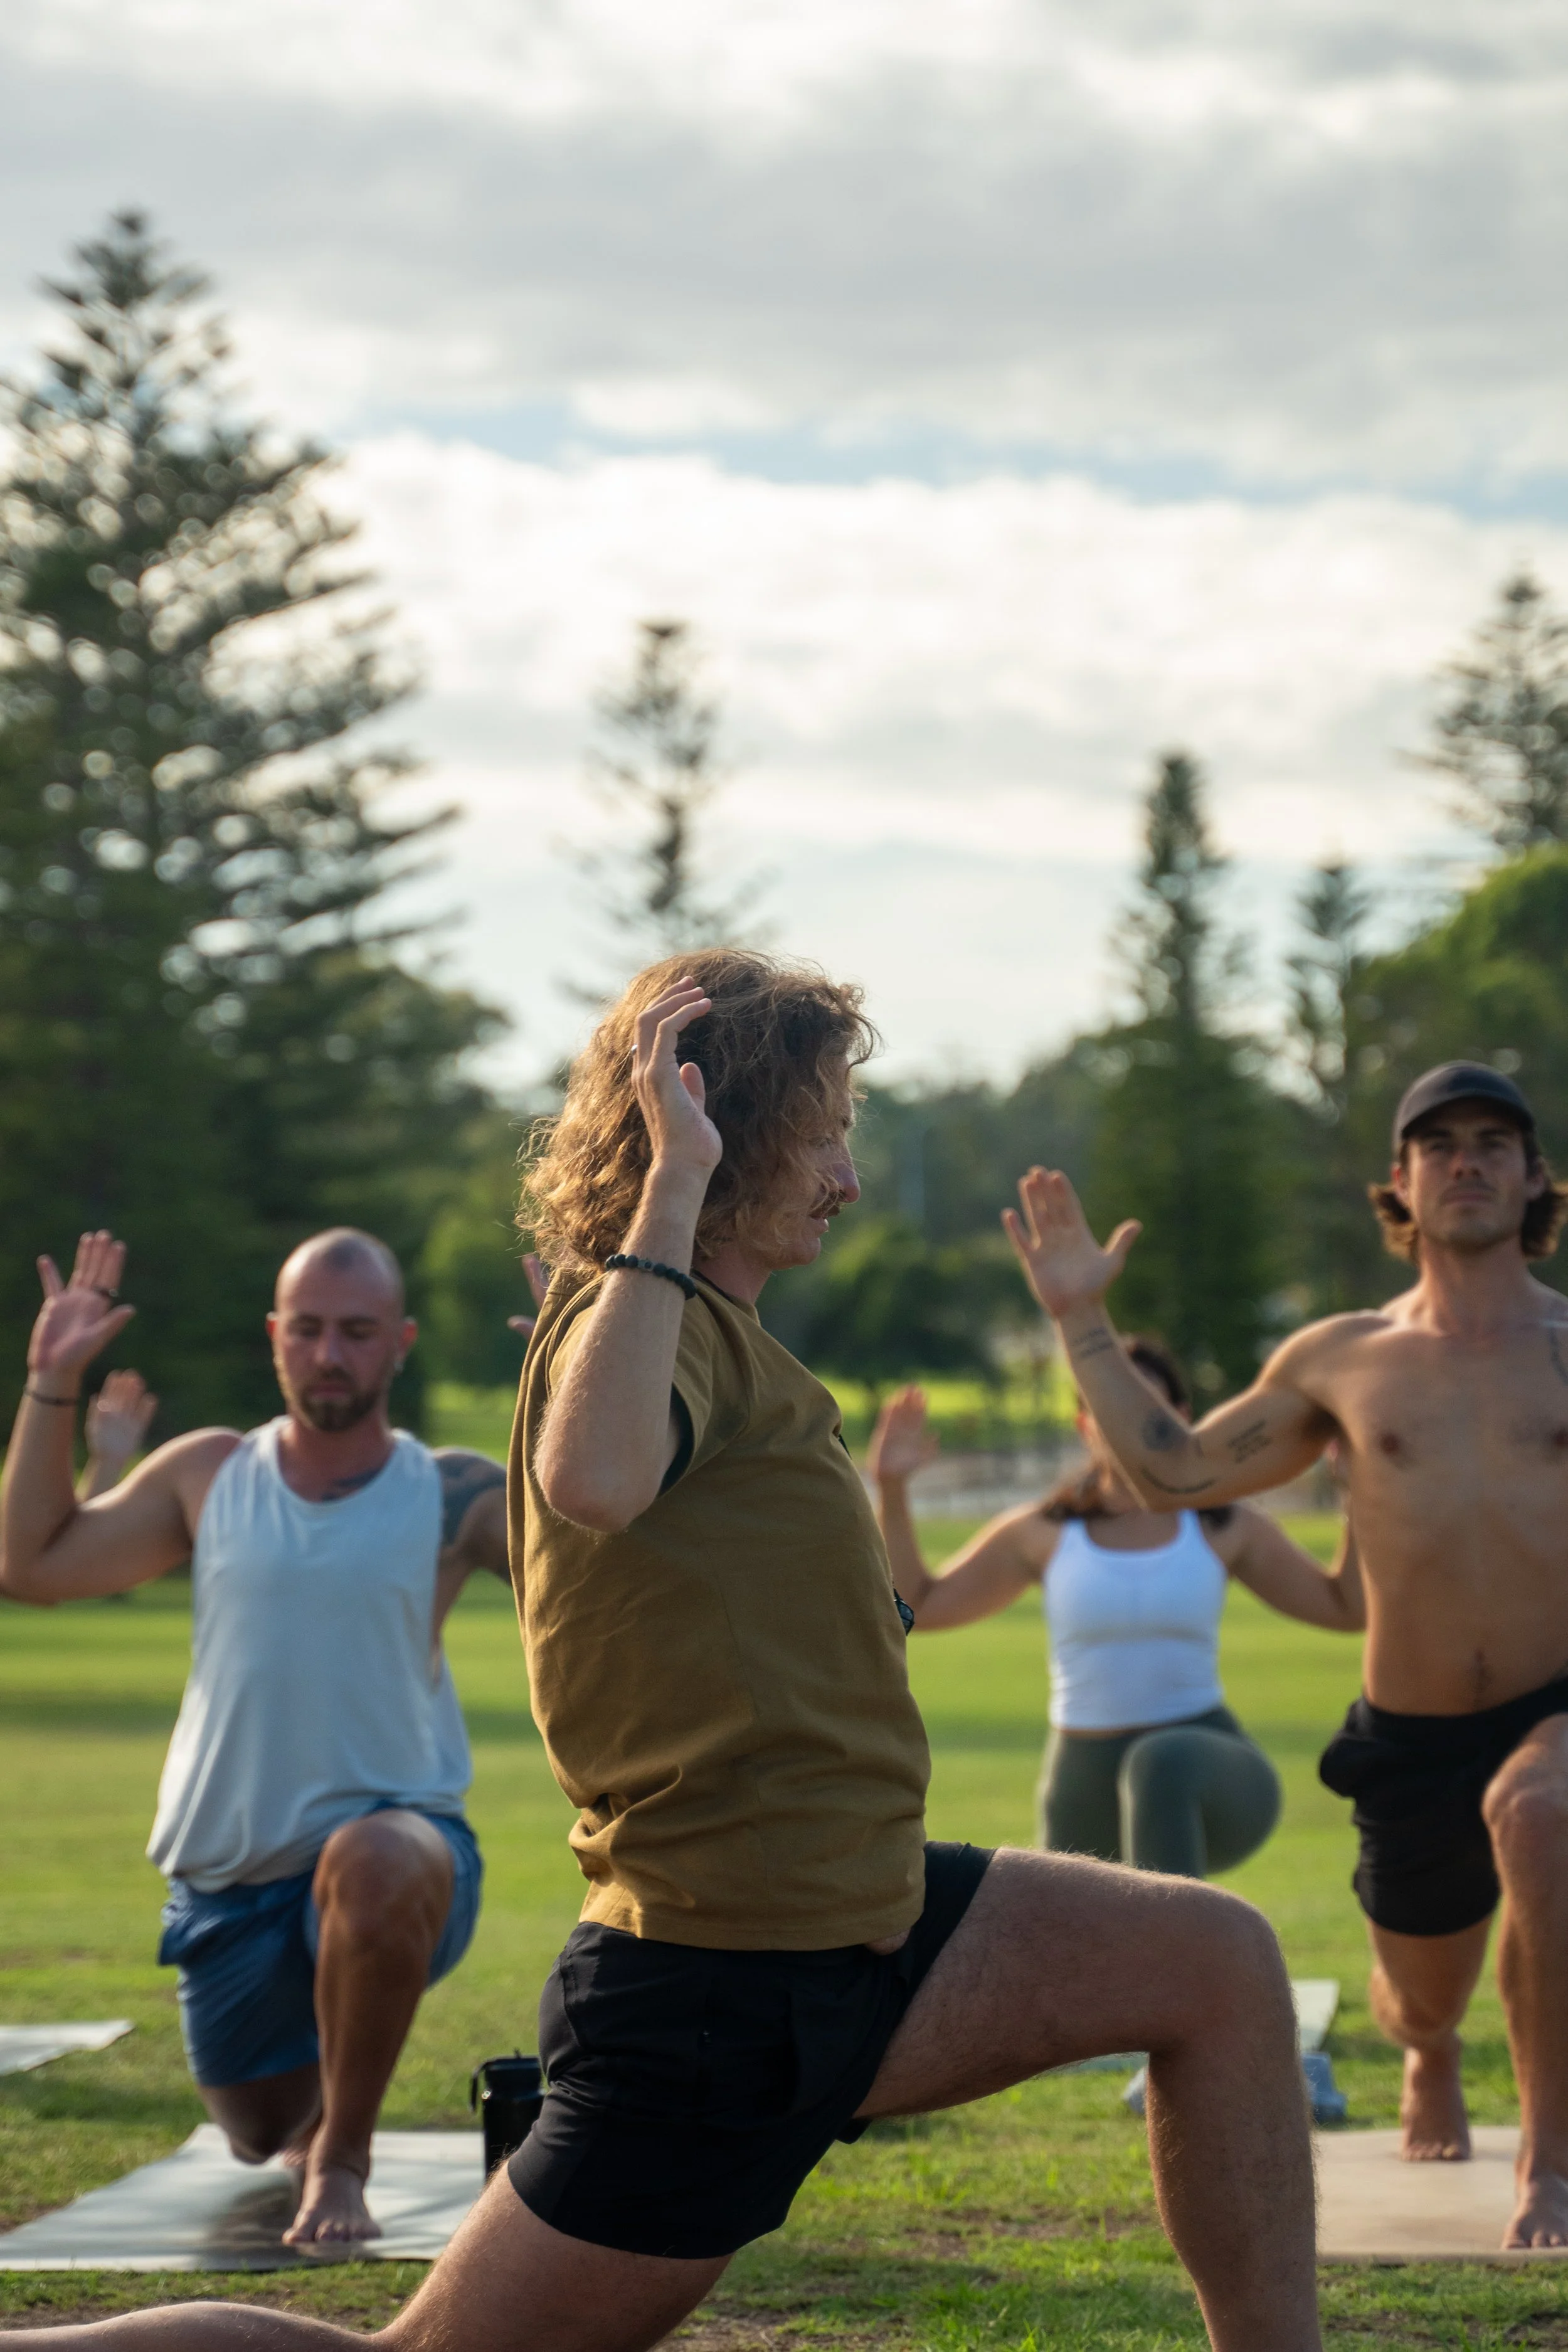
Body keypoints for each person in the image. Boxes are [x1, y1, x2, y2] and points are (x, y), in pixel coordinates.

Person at [0, 952, 1323, 2352]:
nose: (846, 1177)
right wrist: (669, 1191)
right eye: (823, 1134)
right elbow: (596, 1477)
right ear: (721, 1126)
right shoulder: (654, 1306)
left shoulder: (694, 1321)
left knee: (1214, 1963)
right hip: (721, 1986)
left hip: (862, 1927)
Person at [1005, 1060, 1568, 2250]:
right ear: (1401, 1186)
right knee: (1420, 1998)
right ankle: (1429, 2057)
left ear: (1532, 1180)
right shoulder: (1342, 1359)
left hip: (1555, 1711)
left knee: (1541, 1816)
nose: (1468, 1161)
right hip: (1410, 1732)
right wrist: (1080, 1319)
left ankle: (1552, 2169)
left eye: (1495, 1143)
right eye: (1440, 1144)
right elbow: (1173, 1469)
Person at [0, 1227, 512, 2249]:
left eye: (358, 1333)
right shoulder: (208, 1475)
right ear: (276, 1338)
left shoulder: (453, 1491)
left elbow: (595, 1575)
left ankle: (345, 2160)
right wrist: (52, 1381)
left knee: (375, 1857)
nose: (332, 1355)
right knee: (256, 2130)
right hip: (229, 1892)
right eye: (311, 1330)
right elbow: (32, 1567)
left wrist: (577, 1385)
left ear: (399, 1342)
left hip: (405, 1855)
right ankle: (310, 2116)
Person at [870, 1335, 1362, 1877]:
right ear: (1085, 1425)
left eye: (1145, 1409)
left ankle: (1177, 1946)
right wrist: (893, 1489)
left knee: (1160, 1765)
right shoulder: (1044, 1532)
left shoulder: (1223, 1526)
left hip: (1211, 1775)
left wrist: (1358, 1492)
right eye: (1109, 1408)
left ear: (1181, 1418)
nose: (1127, 1426)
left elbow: (1345, 1606)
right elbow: (918, 1605)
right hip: (1082, 1782)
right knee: (1065, 1943)